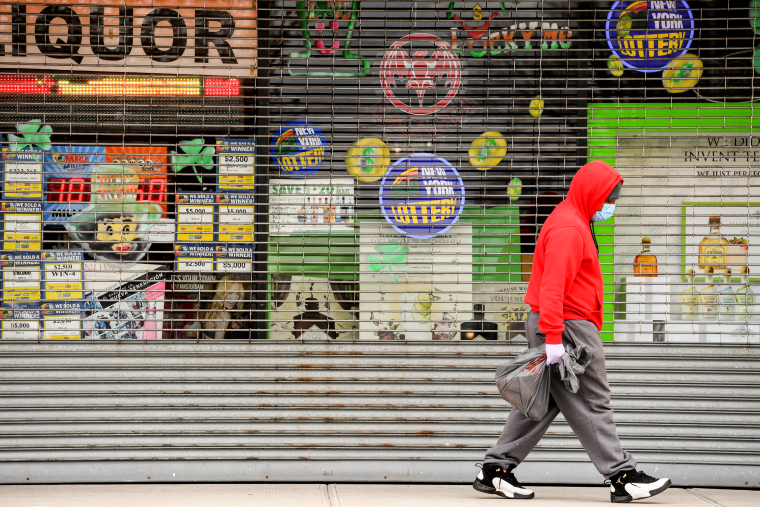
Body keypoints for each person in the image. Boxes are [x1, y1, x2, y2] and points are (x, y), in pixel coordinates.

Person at [474, 161, 671, 503]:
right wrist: (553, 338)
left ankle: (495, 470)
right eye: (609, 200)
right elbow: (553, 288)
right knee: (593, 402)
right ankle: (622, 476)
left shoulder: (573, 218)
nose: (610, 207)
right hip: (567, 327)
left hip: (562, 324)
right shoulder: (570, 228)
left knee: (542, 401)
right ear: (592, 195)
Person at [201, 275, 247, 340]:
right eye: (230, 292)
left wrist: (230, 324)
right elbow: (219, 347)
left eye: (237, 293)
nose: (233, 299)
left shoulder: (212, 306)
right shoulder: (224, 315)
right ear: (221, 292)